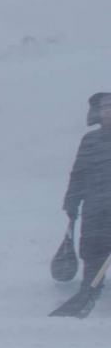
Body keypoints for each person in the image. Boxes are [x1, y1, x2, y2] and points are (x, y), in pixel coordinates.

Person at [63, 92, 111, 294]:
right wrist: (72, 201)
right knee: (93, 249)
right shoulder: (90, 140)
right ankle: (90, 288)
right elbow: (79, 173)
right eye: (105, 108)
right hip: (95, 206)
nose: (108, 112)